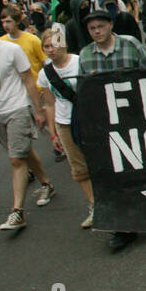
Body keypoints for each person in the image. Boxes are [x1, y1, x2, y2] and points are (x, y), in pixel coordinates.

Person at [0, 14, 53, 232]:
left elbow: (28, 80)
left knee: (16, 159)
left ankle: (17, 212)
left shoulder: (11, 50)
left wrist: (39, 110)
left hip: (17, 108)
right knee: (22, 151)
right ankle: (46, 184)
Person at [78, 9, 146, 253]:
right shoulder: (86, 55)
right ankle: (124, 226)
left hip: (137, 119)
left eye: (100, 26)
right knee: (115, 175)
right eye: (92, 29)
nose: (97, 32)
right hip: (107, 126)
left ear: (110, 25)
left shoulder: (130, 45)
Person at [37, 26, 93, 228]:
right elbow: (50, 103)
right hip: (65, 122)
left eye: (53, 45)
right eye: (46, 46)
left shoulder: (80, 62)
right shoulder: (45, 73)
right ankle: (94, 205)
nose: (50, 50)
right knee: (78, 168)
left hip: (89, 118)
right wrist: (53, 133)